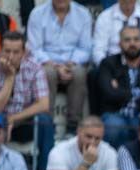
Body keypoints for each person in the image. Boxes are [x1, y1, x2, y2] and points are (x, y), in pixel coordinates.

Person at [0, 31, 53, 170]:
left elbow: (44, 104)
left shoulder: (35, 68)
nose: (11, 57)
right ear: (0, 50)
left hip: (23, 120)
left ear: (24, 53)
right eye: (7, 51)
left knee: (45, 121)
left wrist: (14, 118)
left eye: (16, 52)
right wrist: (10, 77)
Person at [26, 0, 92, 133]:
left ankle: (73, 126)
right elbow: (35, 49)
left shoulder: (83, 14)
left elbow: (86, 49)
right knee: (47, 73)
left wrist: (71, 63)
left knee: (79, 73)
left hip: (72, 63)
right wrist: (54, 65)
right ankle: (47, 124)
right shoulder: (37, 14)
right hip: (47, 63)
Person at [47, 115, 119, 170]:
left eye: (97, 138)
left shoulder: (109, 152)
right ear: (78, 132)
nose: (92, 142)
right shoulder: (59, 152)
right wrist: (86, 164)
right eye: (89, 136)